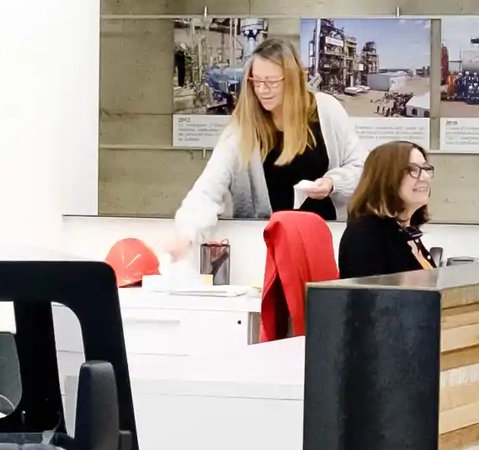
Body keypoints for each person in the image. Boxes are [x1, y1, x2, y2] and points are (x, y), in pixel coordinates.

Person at [170, 39, 364, 256]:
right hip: (264, 251)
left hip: (323, 245)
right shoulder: (241, 129)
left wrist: (332, 183)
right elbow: (208, 188)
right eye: (256, 81)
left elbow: (359, 167)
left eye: (271, 81)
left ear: (291, 80)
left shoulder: (326, 110)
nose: (262, 89)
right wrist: (186, 233)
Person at [338, 142, 434, 276]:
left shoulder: (406, 232)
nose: (424, 177)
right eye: (412, 170)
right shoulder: (366, 234)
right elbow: (370, 294)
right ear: (385, 177)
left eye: (425, 168)